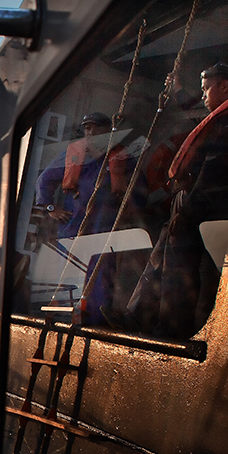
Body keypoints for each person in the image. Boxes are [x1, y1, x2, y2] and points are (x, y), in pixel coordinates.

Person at [118, 62, 228, 337]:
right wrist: (178, 90)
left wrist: (190, 208)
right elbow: (195, 108)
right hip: (189, 197)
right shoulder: (222, 116)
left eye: (206, 89)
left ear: (224, 86)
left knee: (179, 267)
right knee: (161, 258)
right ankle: (137, 316)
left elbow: (215, 167)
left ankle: (172, 328)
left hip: (199, 198)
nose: (203, 96)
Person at [34, 112, 138, 323]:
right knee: (69, 273)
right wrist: (51, 208)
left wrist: (130, 215)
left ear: (107, 130)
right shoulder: (73, 154)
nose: (90, 132)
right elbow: (44, 180)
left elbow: (138, 187)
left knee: (101, 275)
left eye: (95, 128)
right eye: (87, 128)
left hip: (104, 228)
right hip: (74, 227)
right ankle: (61, 318)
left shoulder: (122, 157)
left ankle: (94, 320)